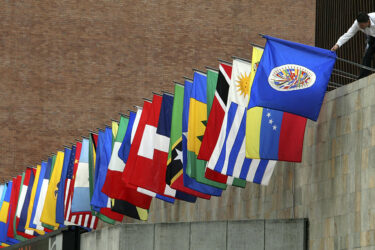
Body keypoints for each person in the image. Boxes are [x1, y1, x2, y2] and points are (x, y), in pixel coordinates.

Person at [331, 12, 375, 79]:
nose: (360, 27)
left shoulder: (374, 17)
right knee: (367, 56)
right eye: (359, 25)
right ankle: (363, 77)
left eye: (362, 25)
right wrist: (337, 45)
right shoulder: (357, 24)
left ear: (368, 22)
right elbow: (348, 34)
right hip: (372, 37)